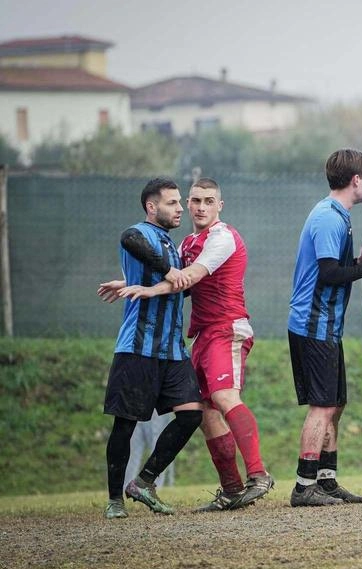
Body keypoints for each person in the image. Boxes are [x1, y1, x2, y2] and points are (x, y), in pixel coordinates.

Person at [104, 178, 276, 513]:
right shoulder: (186, 242)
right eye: (194, 200)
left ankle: (258, 474)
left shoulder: (222, 237)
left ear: (219, 206)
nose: (197, 207)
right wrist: (132, 283)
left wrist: (149, 291)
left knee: (225, 399)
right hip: (199, 336)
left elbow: (189, 277)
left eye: (207, 201)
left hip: (227, 329)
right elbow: (172, 277)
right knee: (205, 412)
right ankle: (231, 490)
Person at [288, 150, 362, 507]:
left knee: (335, 404)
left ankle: (327, 480)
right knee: (322, 406)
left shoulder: (339, 216)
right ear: (356, 180)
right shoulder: (328, 217)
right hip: (312, 324)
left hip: (326, 326)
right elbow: (329, 274)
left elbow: (335, 267)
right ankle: (304, 487)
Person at [98, 178, 203, 519]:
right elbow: (129, 240)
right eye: (172, 203)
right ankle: (115, 500)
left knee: (191, 414)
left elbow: (172, 286)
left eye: (178, 202)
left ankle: (144, 481)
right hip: (138, 348)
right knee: (125, 425)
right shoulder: (138, 233)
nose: (180, 209)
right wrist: (170, 271)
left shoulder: (172, 246)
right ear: (151, 207)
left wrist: (144, 281)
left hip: (172, 350)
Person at [124, 412, 175, 491]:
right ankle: (126, 487)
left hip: (158, 411)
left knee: (159, 449)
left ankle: (154, 487)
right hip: (137, 412)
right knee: (131, 453)